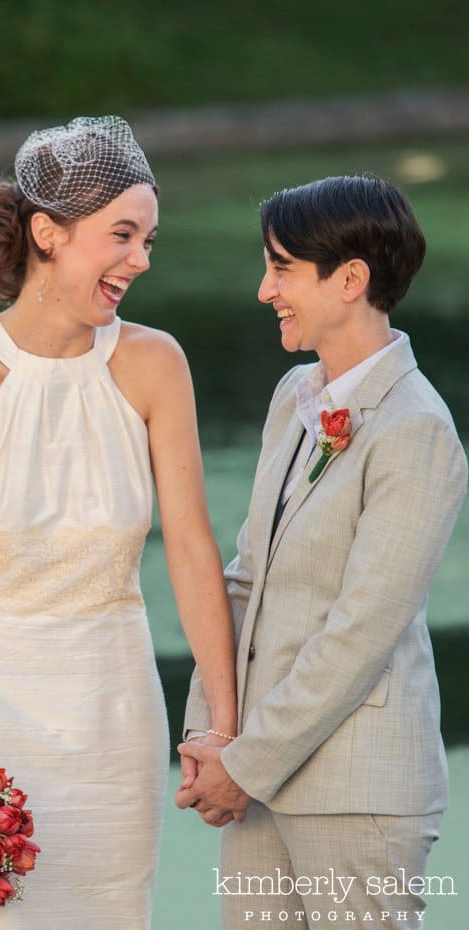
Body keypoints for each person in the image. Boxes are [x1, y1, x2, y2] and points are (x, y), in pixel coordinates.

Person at [0, 115, 237, 929]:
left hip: (112, 725)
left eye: (149, 239)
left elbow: (189, 549)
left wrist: (225, 728)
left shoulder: (155, 363)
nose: (141, 260)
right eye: (122, 235)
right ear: (48, 232)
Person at [177, 174, 467, 930]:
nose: (263, 288)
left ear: (350, 280)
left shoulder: (417, 429)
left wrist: (243, 765)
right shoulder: (294, 397)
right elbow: (246, 580)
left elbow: (361, 631)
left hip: (356, 792)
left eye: (281, 267)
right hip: (257, 780)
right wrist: (211, 731)